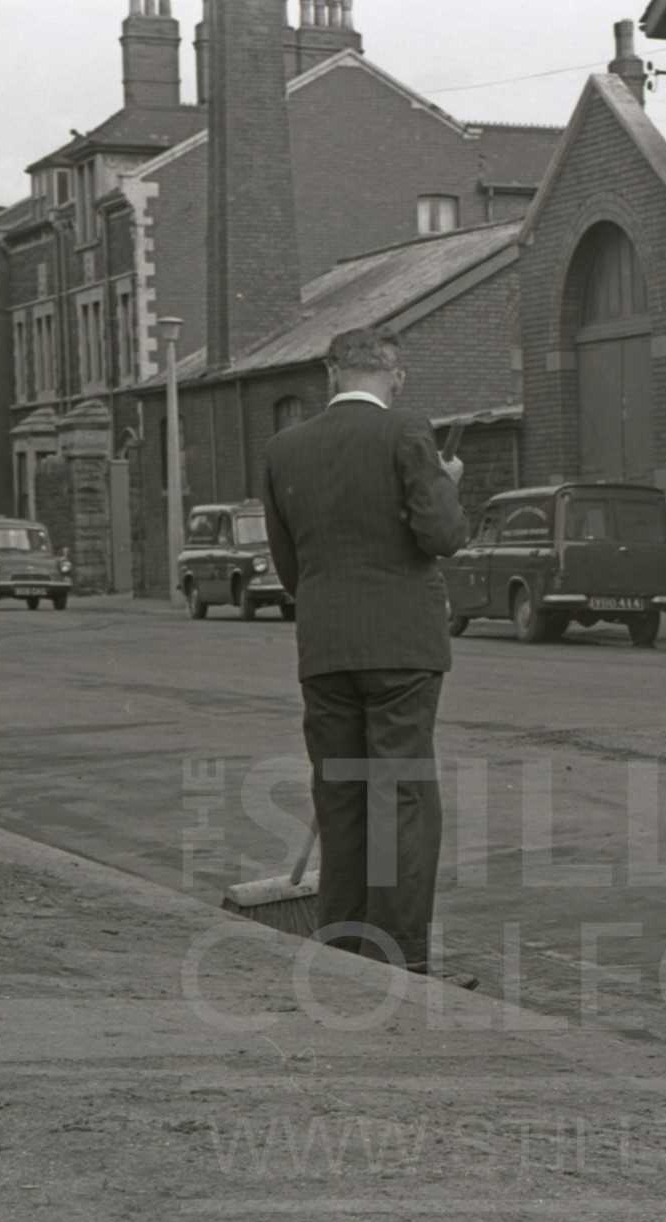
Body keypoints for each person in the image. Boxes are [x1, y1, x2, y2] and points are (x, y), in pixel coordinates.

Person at [262, 327, 475, 985]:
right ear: (396, 375)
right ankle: (400, 960)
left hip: (325, 644)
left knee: (341, 795)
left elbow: (289, 566)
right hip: (401, 645)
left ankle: (340, 955)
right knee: (402, 796)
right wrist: (446, 482)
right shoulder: (406, 433)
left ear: (332, 374)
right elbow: (442, 535)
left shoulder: (283, 449)